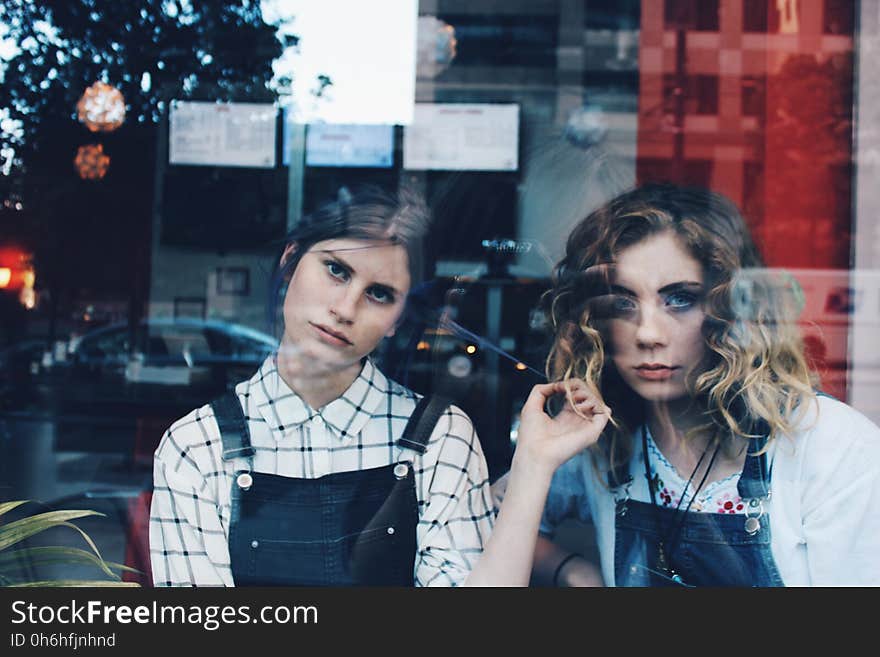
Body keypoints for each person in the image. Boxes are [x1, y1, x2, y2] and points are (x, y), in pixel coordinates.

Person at [469, 183, 880, 587]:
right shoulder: (604, 443)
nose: (648, 333)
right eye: (623, 303)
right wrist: (571, 569)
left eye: (679, 298)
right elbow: (480, 528)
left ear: (730, 310)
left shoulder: (828, 446)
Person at [149, 185, 495, 586]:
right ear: (290, 261)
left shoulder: (441, 437)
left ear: (398, 320)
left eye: (379, 294)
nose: (346, 309)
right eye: (336, 270)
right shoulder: (196, 447)